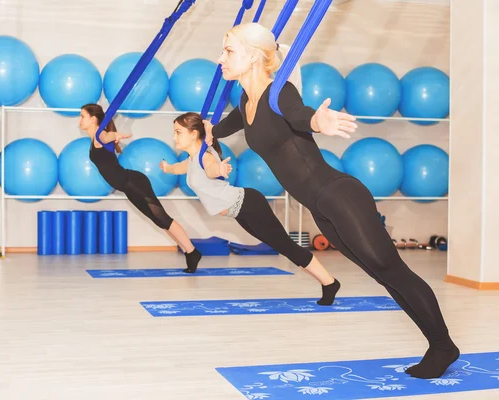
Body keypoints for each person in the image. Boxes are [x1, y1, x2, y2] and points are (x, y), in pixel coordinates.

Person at [203, 22, 459, 379]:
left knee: (393, 270)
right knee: (382, 275)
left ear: (254, 57)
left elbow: (298, 114)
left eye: (228, 51)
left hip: (338, 195)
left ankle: (443, 346)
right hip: (320, 207)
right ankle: (439, 346)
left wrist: (318, 121)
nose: (220, 58)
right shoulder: (247, 101)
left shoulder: (280, 93)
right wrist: (206, 132)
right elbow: (226, 126)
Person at [160, 112, 341, 305]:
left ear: (194, 134)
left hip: (249, 205)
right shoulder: (193, 159)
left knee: (287, 247)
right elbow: (180, 167)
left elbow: (211, 169)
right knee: (284, 246)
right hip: (241, 211)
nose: (174, 137)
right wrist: (167, 168)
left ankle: (329, 283)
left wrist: (219, 171)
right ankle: (328, 282)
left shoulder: (205, 157)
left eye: (178, 132)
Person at [79, 104, 202, 273]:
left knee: (163, 218)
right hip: (129, 187)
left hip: (134, 182)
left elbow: (107, 136)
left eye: (82, 116)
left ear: (93, 119)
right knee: (159, 221)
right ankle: (189, 252)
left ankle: (192, 251)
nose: (80, 120)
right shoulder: (94, 139)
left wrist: (117, 135)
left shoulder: (100, 134)